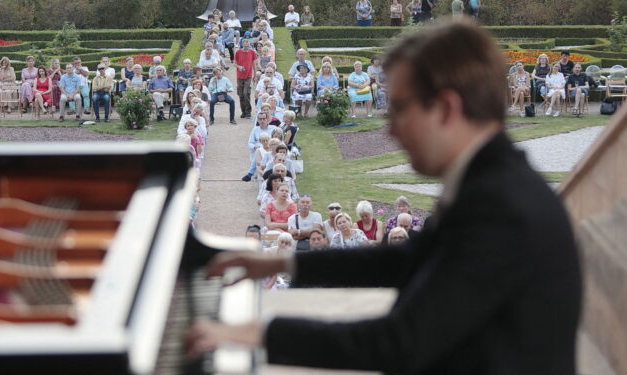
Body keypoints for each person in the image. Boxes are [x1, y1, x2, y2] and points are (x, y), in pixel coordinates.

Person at [187, 21, 582, 375]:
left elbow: (398, 343)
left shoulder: (500, 209)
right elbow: (408, 259)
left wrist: (256, 331)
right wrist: (280, 261)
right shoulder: (489, 181)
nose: (390, 130)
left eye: (399, 109)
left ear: (446, 108)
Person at [243, 112, 278, 181]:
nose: (262, 121)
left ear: (267, 119)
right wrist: (255, 147)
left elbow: (278, 140)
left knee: (258, 151)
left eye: (263, 119)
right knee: (258, 151)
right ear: (258, 120)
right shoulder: (255, 129)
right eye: (260, 119)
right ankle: (251, 173)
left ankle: (250, 173)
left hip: (271, 149)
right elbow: (250, 143)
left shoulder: (273, 128)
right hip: (259, 149)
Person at [235, 39, 257, 119]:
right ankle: (243, 111)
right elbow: (235, 63)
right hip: (239, 76)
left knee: (246, 93)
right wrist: (239, 67)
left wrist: (255, 74)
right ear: (242, 45)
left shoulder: (252, 52)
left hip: (248, 76)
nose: (246, 48)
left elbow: (254, 63)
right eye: (245, 46)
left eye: (248, 46)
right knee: (241, 95)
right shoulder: (238, 52)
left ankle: (248, 111)